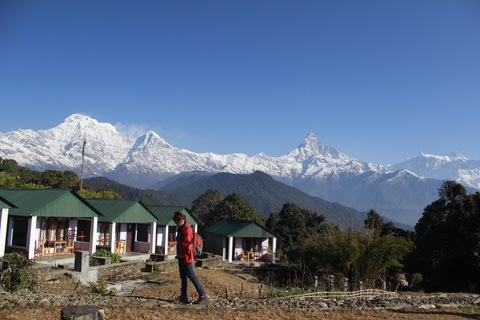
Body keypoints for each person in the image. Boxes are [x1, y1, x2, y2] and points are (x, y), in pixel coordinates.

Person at [172, 211, 209, 304]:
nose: (176, 224)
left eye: (177, 222)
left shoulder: (187, 230)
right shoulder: (181, 229)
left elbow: (187, 245)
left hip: (186, 257)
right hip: (181, 256)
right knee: (183, 277)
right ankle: (183, 296)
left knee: (191, 276)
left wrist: (183, 256)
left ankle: (202, 294)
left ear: (181, 220)